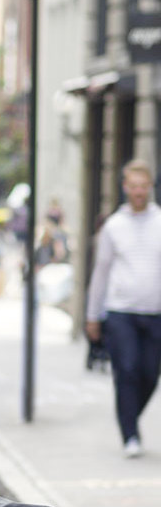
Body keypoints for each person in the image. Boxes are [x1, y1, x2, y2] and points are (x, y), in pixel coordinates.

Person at [86, 158, 161, 457]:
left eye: (144, 186)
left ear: (150, 187)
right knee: (127, 370)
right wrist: (93, 315)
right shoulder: (114, 226)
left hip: (155, 311)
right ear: (125, 188)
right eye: (134, 186)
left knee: (150, 375)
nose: (139, 191)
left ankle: (130, 416)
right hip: (120, 312)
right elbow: (101, 272)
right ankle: (129, 432)